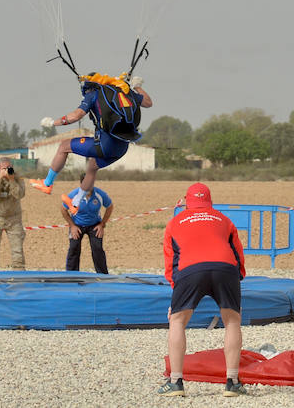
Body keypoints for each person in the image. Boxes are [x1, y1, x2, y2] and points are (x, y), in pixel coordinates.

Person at [158, 182, 247, 397]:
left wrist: (176, 299)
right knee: (233, 321)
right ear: (210, 201)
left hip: (190, 270)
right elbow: (238, 254)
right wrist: (237, 279)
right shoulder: (224, 220)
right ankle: (233, 382)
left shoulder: (174, 223)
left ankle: (176, 383)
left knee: (178, 321)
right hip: (225, 268)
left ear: (187, 201)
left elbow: (171, 264)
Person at [32, 73, 153, 201]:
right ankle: (76, 203)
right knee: (92, 166)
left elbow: (75, 116)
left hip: (105, 145)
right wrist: (137, 86)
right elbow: (148, 103)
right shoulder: (123, 91)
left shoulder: (93, 94)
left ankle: (47, 184)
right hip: (122, 148)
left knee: (64, 146)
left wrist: (53, 123)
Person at [0, 157, 27, 270]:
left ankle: (19, 276)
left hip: (14, 218)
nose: (7, 170)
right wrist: (0, 178)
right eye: (4, 168)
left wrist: (12, 180)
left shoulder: (18, 177)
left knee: (18, 250)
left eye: (9, 168)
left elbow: (20, 194)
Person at [62, 184, 113, 273]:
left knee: (97, 248)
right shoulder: (74, 195)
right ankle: (71, 275)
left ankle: (102, 275)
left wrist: (102, 224)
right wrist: (72, 226)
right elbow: (63, 209)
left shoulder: (100, 194)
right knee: (74, 247)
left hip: (94, 225)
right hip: (77, 225)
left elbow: (110, 207)